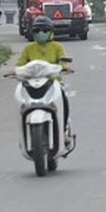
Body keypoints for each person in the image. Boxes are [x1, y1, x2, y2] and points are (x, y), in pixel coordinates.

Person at [12, 16, 74, 144]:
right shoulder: (28, 48)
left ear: (51, 32)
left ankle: (63, 131)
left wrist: (65, 67)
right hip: (31, 83)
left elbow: (62, 63)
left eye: (45, 30)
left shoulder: (57, 47)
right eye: (37, 30)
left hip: (52, 83)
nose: (41, 33)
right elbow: (20, 64)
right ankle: (24, 135)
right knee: (21, 103)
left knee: (64, 100)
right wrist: (14, 71)